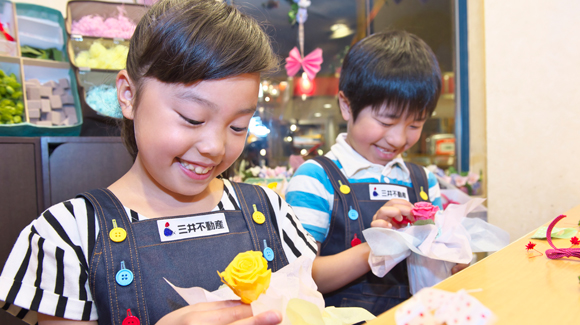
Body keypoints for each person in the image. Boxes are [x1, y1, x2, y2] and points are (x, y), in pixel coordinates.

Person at [0, 1, 317, 324]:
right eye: (193, 119)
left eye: (238, 126)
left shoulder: (268, 212)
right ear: (127, 95)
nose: (214, 147)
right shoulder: (68, 235)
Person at [285, 30, 466, 316]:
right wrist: (379, 247)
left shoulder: (423, 181)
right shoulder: (316, 179)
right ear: (347, 105)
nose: (397, 139)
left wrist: (452, 262)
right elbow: (301, 277)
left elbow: (440, 269)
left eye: (414, 125)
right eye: (386, 121)